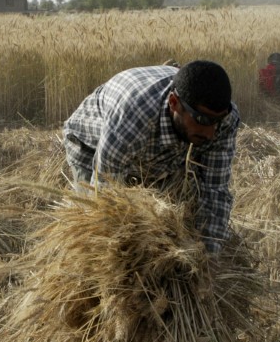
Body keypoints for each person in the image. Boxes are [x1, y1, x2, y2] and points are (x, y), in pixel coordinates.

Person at [63, 60, 240, 254]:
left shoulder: (225, 119)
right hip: (89, 144)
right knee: (94, 225)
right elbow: (105, 201)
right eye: (202, 119)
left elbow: (214, 191)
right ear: (174, 103)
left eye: (217, 121)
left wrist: (210, 257)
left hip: (155, 148)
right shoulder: (132, 119)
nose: (210, 133)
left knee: (165, 226)